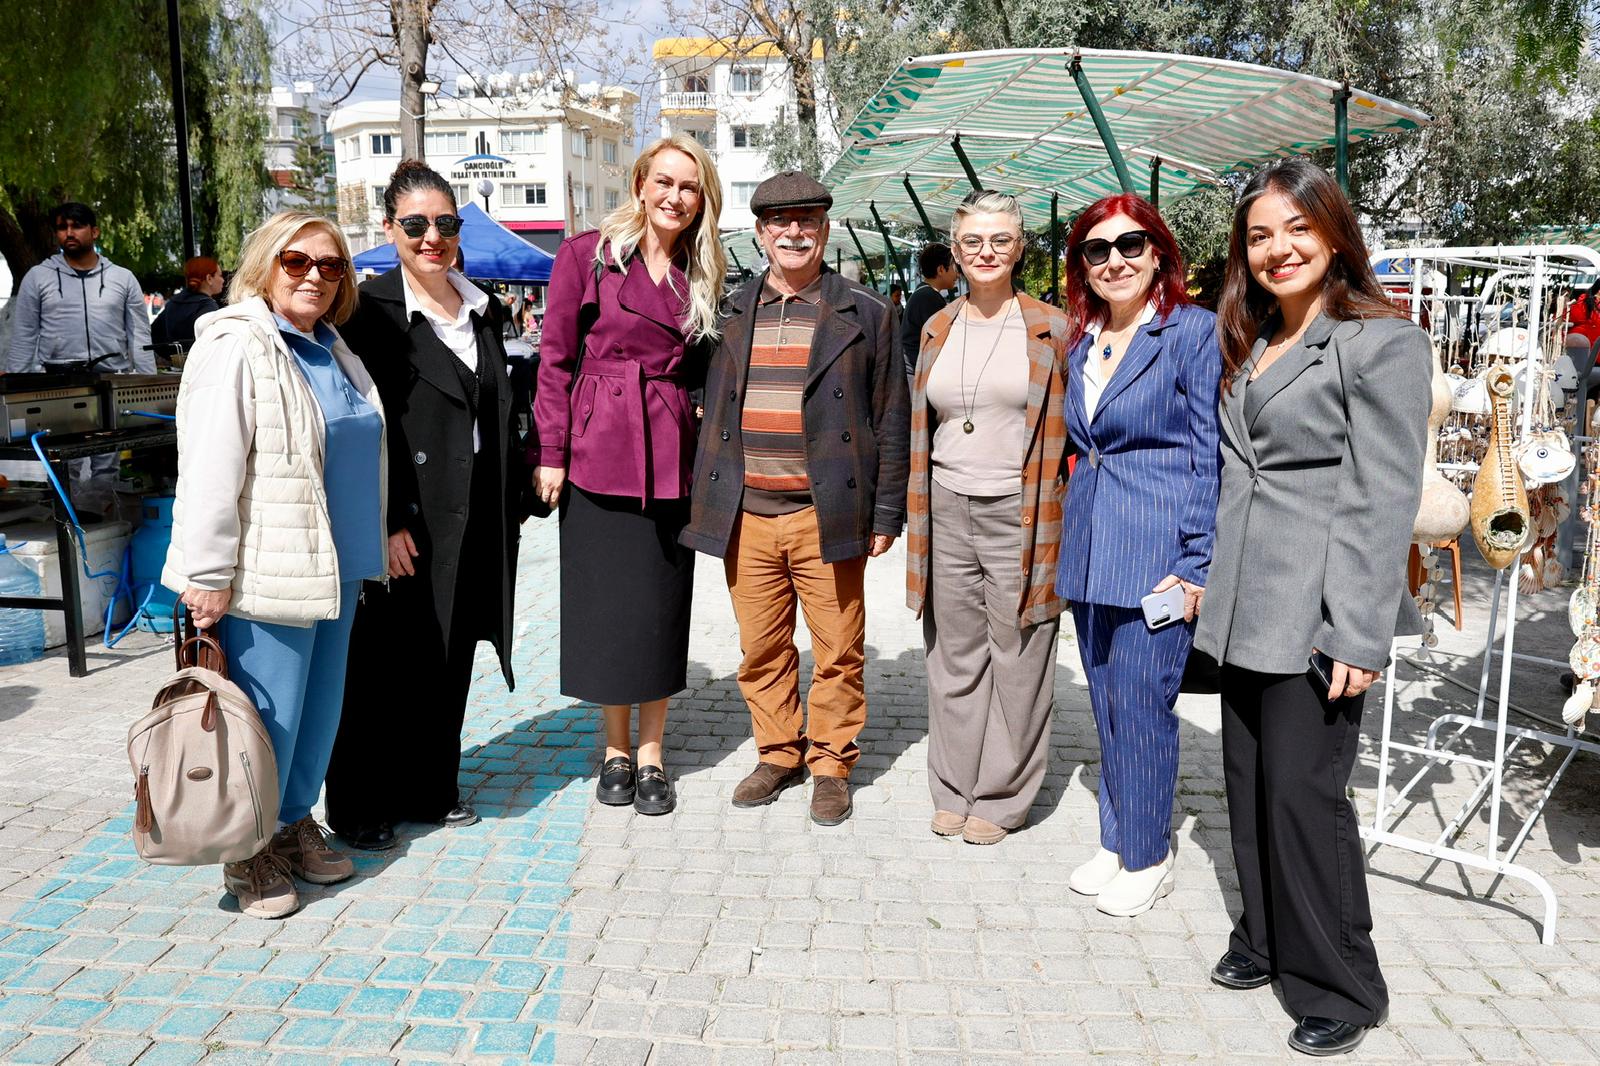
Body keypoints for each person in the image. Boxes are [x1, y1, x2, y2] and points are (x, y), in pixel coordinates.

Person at [1195, 158, 1430, 1058]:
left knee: (1305, 795)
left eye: (1297, 228)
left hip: (1318, 610)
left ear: (1334, 233)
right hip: (1244, 605)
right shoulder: (1255, 339)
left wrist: (1359, 633)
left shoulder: (1381, 343)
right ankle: (1265, 937)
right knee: (1250, 785)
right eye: (1260, 235)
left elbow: (1380, 499)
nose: (1278, 249)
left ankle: (1341, 983)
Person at [160, 211, 384, 919]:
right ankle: (245, 849)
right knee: (267, 719)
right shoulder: (237, 345)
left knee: (316, 717)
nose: (315, 275)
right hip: (267, 567)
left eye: (331, 264)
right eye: (297, 261)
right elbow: (209, 466)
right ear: (264, 265)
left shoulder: (331, 347)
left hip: (337, 564)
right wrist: (207, 573)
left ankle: (289, 823)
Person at [681, 171, 910, 826]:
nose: (794, 231)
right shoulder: (726, 312)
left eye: (807, 220)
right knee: (762, 647)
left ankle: (831, 764)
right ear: (760, 233)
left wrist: (886, 513)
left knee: (837, 650)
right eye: (780, 222)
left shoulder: (866, 312)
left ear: (825, 230)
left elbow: (892, 418)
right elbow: (694, 392)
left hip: (827, 512)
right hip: (746, 513)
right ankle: (778, 752)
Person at [322, 160, 528, 850]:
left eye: (444, 223)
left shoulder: (483, 310)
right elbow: (357, 428)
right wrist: (382, 522)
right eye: (415, 224)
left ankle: (430, 786)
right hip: (405, 518)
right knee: (380, 663)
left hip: (474, 513)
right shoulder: (366, 313)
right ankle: (358, 802)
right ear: (390, 228)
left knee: (449, 654)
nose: (431, 237)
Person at [533, 134, 727, 816]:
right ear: (641, 184)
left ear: (702, 199)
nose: (675, 196)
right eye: (664, 181)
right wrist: (551, 452)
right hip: (598, 450)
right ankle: (615, 749)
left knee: (659, 608)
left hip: (670, 453)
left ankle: (652, 754)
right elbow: (554, 360)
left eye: (690, 186)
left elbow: (703, 369)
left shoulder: (703, 271)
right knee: (608, 609)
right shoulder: (587, 255)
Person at [1054, 193, 1221, 917]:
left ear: (1158, 253)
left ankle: (1149, 855)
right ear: (1083, 265)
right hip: (1091, 551)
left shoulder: (1191, 333)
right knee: (1106, 705)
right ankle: (1118, 837)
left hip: (1159, 556)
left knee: (1144, 707)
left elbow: (1210, 456)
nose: (1115, 260)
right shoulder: (1083, 340)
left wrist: (1196, 564)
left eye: (1131, 245)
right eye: (1098, 250)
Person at [904, 192, 1071, 845]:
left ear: (1020, 247)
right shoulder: (937, 328)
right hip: (946, 506)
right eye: (973, 240)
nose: (986, 252)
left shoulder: (1052, 328)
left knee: (1020, 651)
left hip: (1021, 510)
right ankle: (953, 785)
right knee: (953, 653)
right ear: (955, 247)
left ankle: (1001, 796)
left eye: (1001, 239)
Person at [6, 203, 154, 374]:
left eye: (77, 226)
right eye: (62, 227)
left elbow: (140, 336)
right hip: (56, 380)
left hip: (113, 379)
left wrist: (149, 380)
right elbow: (24, 335)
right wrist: (14, 383)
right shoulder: (37, 277)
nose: (69, 233)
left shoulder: (123, 278)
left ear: (94, 232)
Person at [901, 243, 958, 376]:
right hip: (916, 371)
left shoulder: (923, 292)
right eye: (954, 267)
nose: (958, 274)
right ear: (941, 270)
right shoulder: (929, 297)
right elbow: (942, 339)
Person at [151, 256, 225, 350]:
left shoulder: (173, 302)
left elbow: (154, 334)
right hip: (197, 358)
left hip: (173, 359)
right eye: (220, 275)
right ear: (209, 278)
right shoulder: (208, 306)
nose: (223, 280)